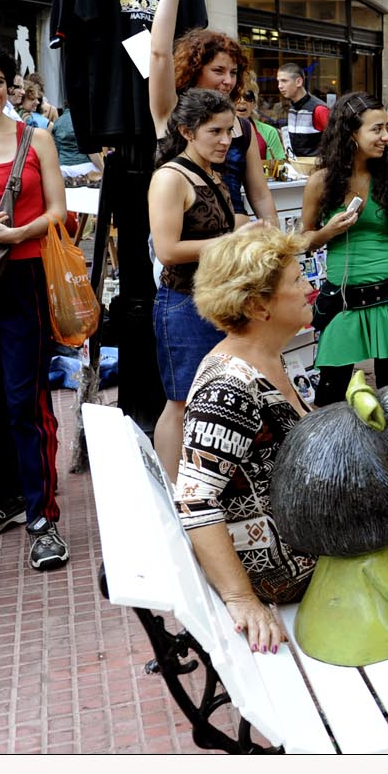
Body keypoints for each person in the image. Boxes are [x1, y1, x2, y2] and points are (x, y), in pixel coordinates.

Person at [173, 226, 318, 653]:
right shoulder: (230, 387)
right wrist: (241, 598)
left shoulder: (262, 355)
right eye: (296, 281)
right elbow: (194, 500)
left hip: (300, 536)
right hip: (283, 566)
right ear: (258, 305)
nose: (309, 287)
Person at [0, 39, 71, 570]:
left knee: (24, 400)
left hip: (22, 279)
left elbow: (58, 213)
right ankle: (5, 498)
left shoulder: (35, 139)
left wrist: (12, 234)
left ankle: (42, 516)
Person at [301, 92, 388, 407]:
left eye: (386, 128)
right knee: (330, 394)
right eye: (376, 129)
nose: (386, 137)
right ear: (351, 133)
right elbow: (304, 240)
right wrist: (328, 231)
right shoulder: (321, 182)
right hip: (343, 299)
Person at [151, 0, 277, 229]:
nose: (228, 81)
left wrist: (274, 239)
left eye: (233, 73)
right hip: (188, 247)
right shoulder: (173, 113)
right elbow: (158, 55)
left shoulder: (242, 126)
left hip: (238, 244)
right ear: (195, 69)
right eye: (218, 71)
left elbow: (259, 194)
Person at [147, 88, 241, 483]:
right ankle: (171, 494)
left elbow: (224, 229)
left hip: (215, 301)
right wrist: (234, 239)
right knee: (182, 402)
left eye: (229, 131)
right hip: (183, 304)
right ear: (186, 131)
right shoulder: (170, 178)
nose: (225, 140)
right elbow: (168, 250)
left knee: (214, 399)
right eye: (215, 132)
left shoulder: (212, 174)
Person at [278, 62, 330, 158]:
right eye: (278, 81)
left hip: (316, 168)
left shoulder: (319, 109)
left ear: (299, 82)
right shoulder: (291, 108)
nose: (279, 86)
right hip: (296, 168)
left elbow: (336, 141)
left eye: (284, 81)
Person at [50, 108, 103, 181]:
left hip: (63, 168)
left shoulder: (57, 122)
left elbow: (55, 151)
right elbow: (91, 152)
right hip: (86, 168)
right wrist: (103, 169)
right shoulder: (84, 120)